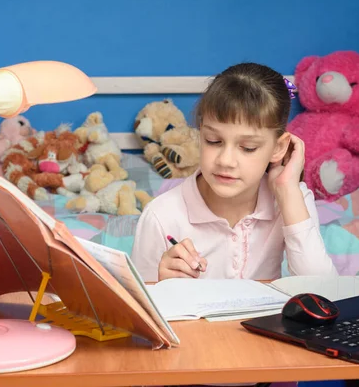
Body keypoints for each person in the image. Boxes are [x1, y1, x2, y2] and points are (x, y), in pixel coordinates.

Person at [130, 62, 337, 282]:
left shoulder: (292, 200)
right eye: (213, 141)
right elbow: (136, 310)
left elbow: (323, 292)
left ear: (278, 148)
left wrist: (287, 193)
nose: (226, 161)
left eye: (247, 148)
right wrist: (162, 287)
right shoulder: (161, 216)